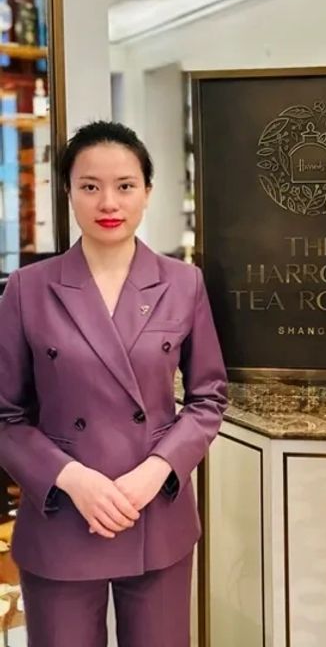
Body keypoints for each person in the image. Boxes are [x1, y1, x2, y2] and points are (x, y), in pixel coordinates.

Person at [0, 121, 227, 647]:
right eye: (90, 186)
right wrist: (73, 480)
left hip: (155, 511)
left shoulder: (183, 282)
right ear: (68, 192)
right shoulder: (28, 289)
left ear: (148, 192)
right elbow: (5, 415)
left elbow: (207, 397)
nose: (109, 201)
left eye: (125, 185)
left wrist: (157, 469)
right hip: (60, 514)